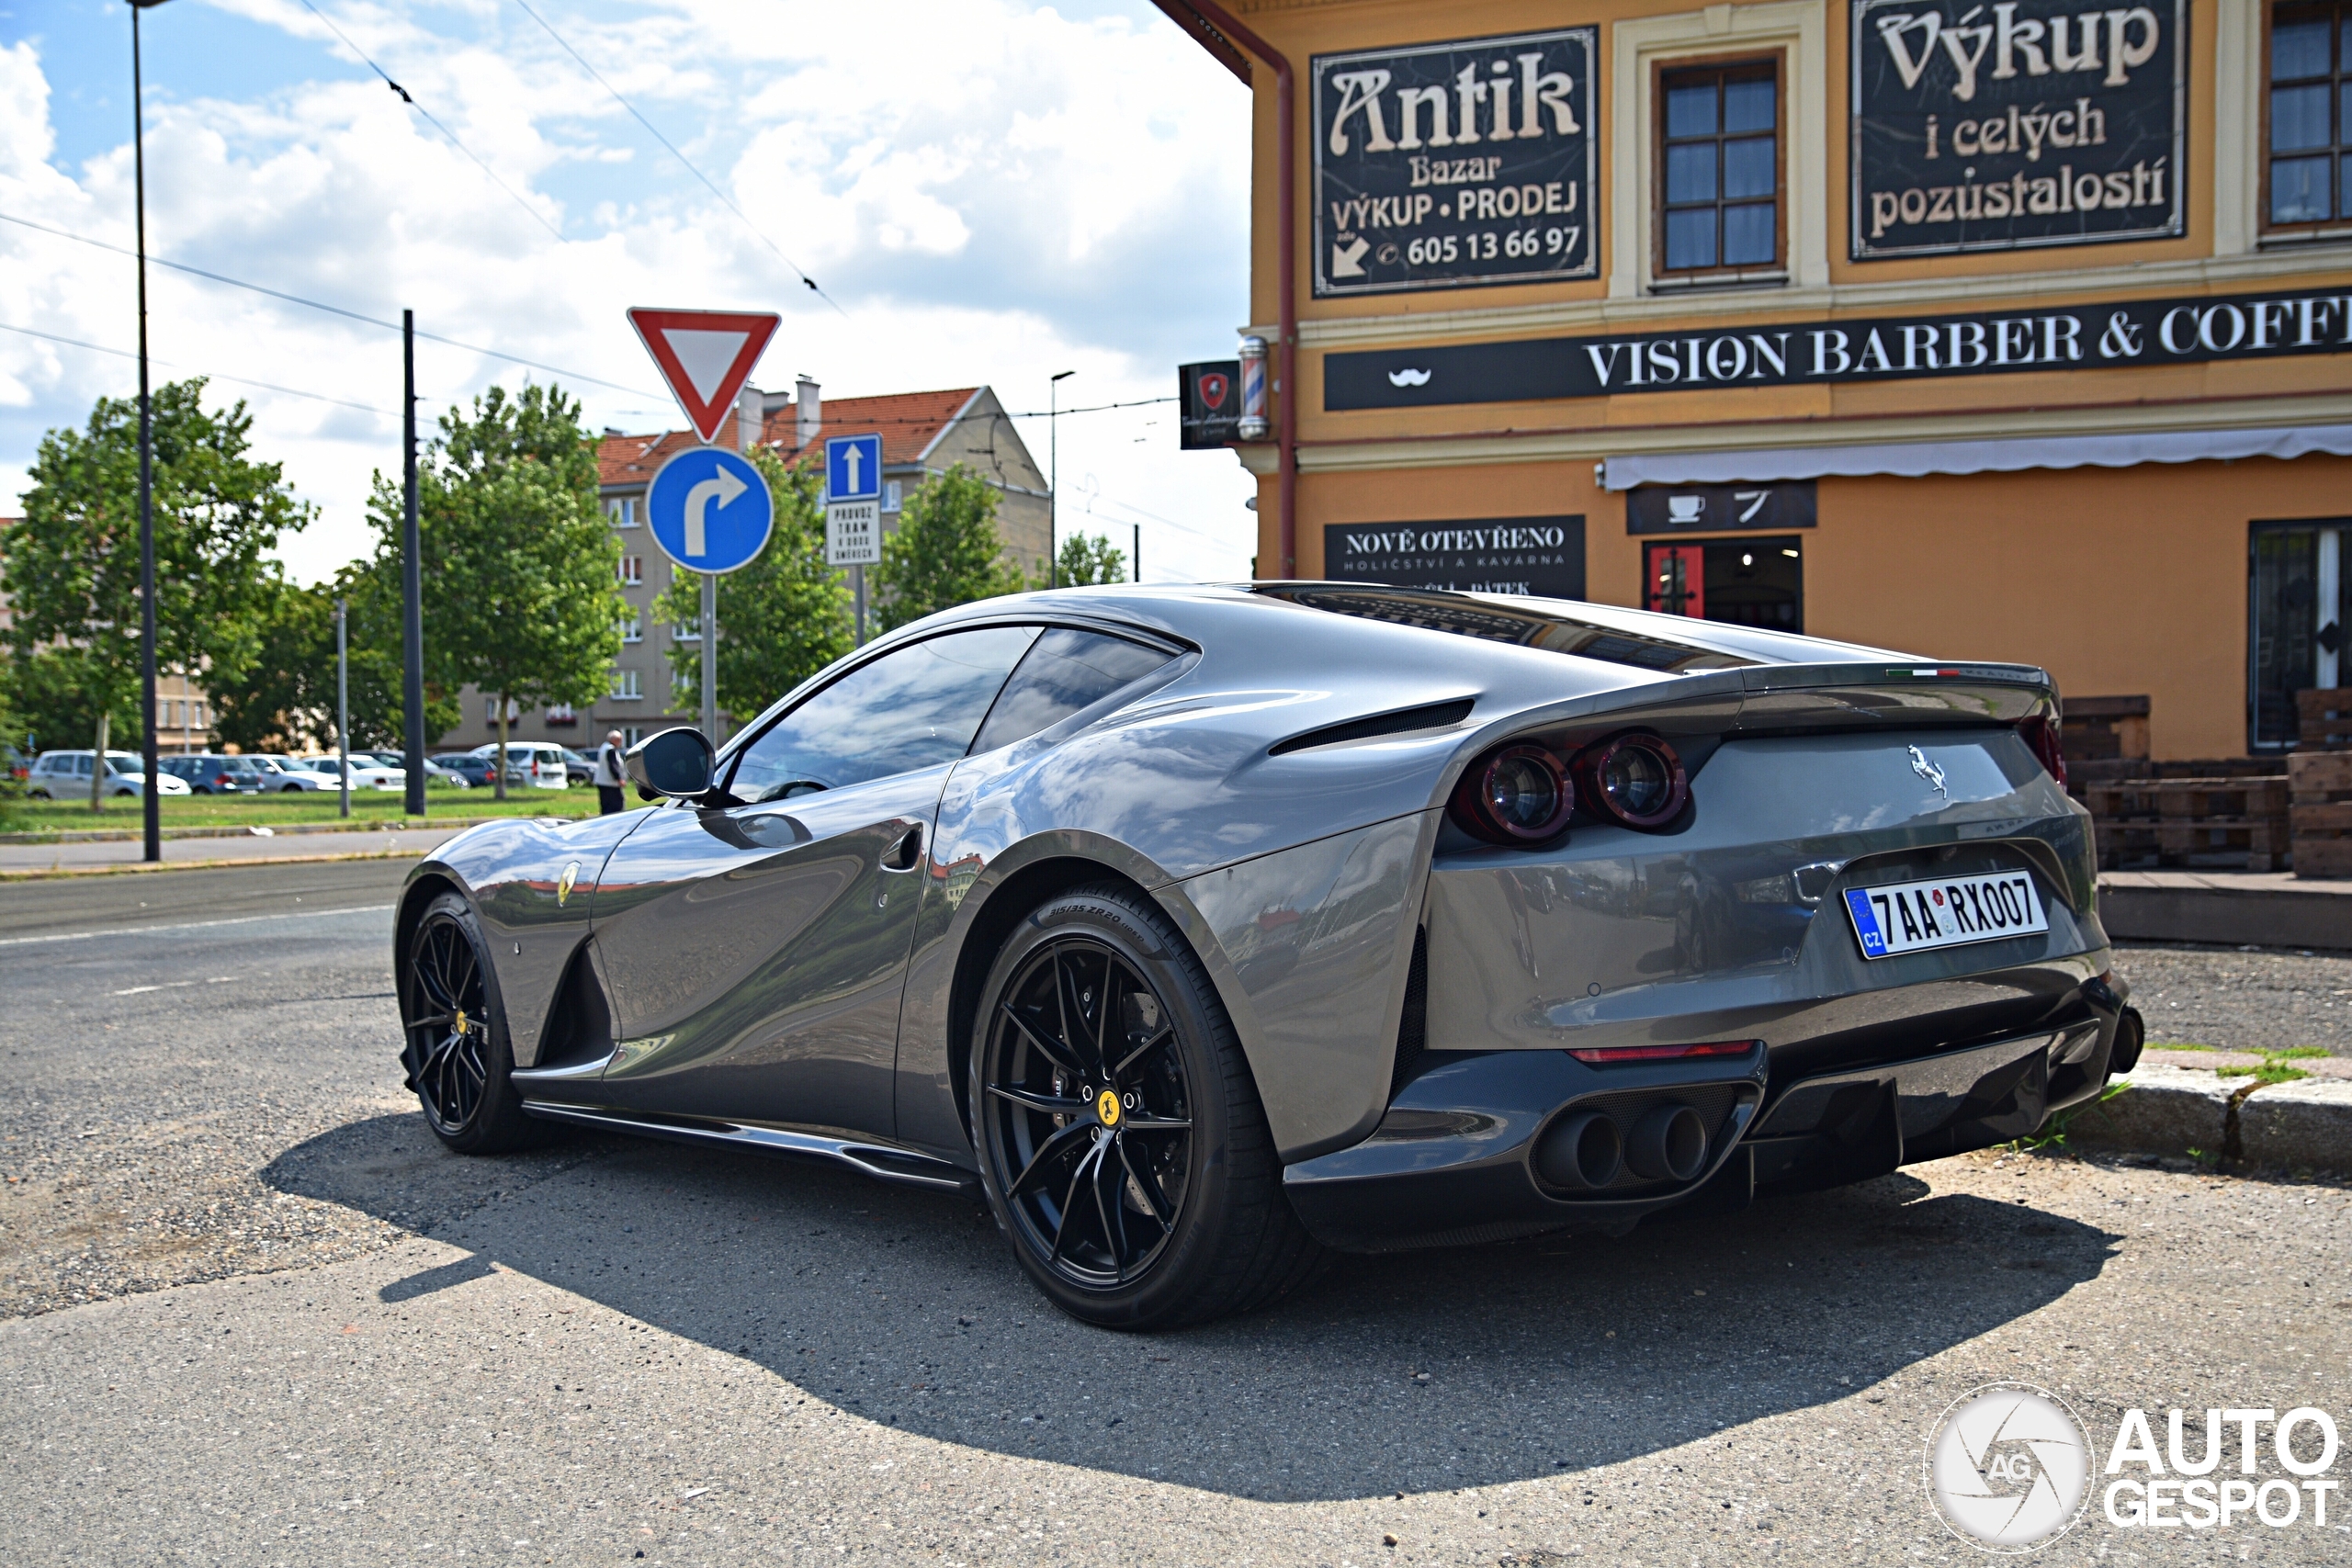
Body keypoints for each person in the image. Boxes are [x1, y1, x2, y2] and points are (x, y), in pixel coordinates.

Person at [594, 729, 628, 815]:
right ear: (615, 740)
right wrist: (619, 778)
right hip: (610, 783)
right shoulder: (611, 750)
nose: (620, 742)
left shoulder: (604, 747)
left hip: (602, 782)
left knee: (605, 805)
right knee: (616, 806)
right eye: (620, 740)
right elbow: (613, 765)